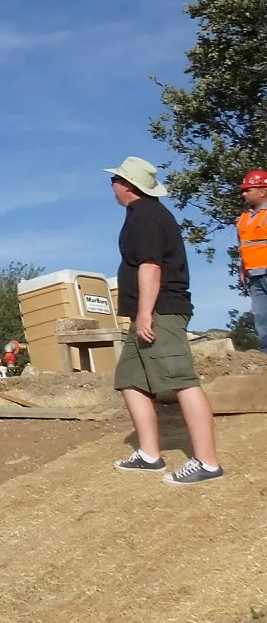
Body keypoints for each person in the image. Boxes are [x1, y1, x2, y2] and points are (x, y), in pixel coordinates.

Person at [105, 157, 223, 484]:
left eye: (114, 179)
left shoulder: (147, 216)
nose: (111, 184)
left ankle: (207, 463)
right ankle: (149, 455)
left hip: (161, 310)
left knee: (181, 380)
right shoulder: (139, 215)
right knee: (130, 379)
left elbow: (151, 266)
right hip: (145, 311)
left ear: (128, 185)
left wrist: (145, 311)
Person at [236, 170, 267, 350]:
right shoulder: (244, 218)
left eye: (249, 189)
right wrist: (242, 267)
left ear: (262, 191)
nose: (244, 193)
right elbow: (244, 246)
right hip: (254, 275)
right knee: (262, 319)